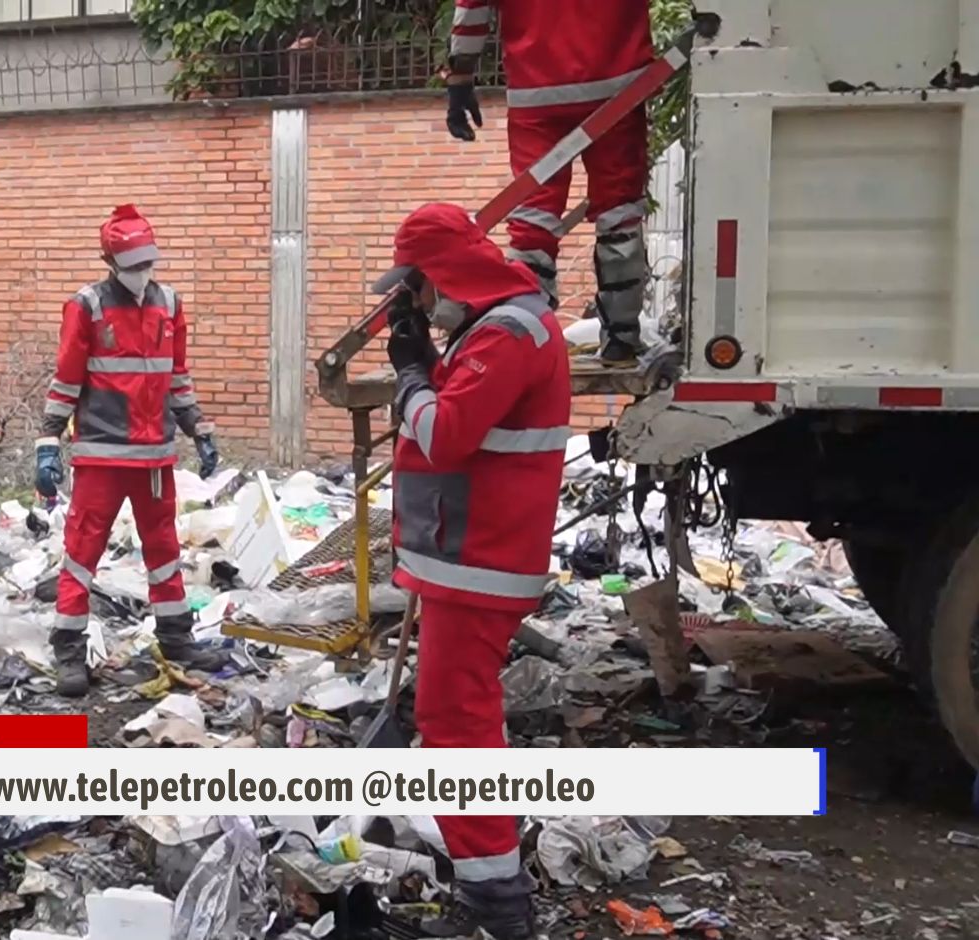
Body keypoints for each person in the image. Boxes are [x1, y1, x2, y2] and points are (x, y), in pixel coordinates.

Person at [375, 202, 571, 938]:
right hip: (468, 557)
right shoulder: (498, 325)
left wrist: (409, 375)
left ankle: (496, 903)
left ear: (444, 276)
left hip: (480, 561)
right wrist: (427, 363)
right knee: (458, 719)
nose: (419, 306)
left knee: (457, 726)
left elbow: (445, 436)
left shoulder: (509, 333)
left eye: (418, 290)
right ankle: (490, 881)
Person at [35, 204, 230, 697]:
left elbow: (176, 377)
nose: (144, 271)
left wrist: (198, 428)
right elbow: (67, 379)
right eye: (135, 262)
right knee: (82, 554)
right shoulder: (88, 306)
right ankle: (69, 650)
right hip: (102, 454)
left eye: (149, 260)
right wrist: (48, 443)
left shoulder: (169, 303)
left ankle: (177, 639)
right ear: (111, 260)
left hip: (155, 458)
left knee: (164, 553)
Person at [445, 0, 654, 367]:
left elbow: (473, 6)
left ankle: (528, 344)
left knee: (533, 222)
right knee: (619, 214)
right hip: (618, 85)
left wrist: (461, 76)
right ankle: (621, 339)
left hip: (537, 91)